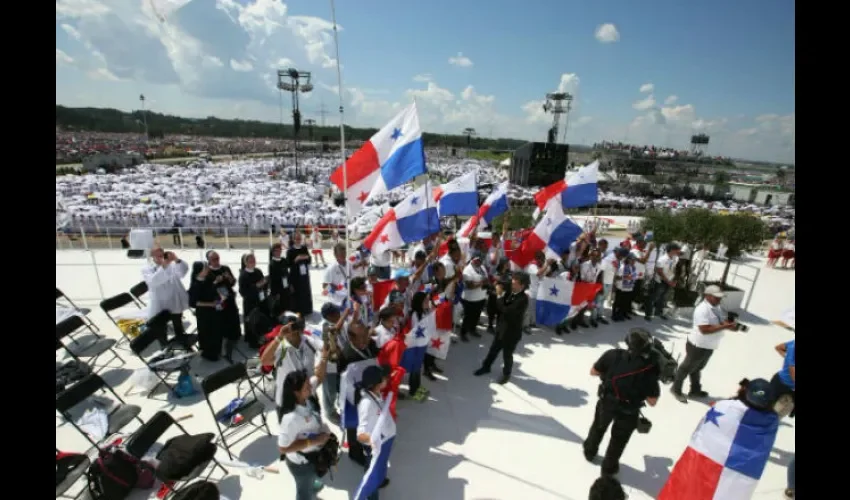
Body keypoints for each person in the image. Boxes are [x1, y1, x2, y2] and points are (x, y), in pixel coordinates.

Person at [583, 328, 660, 476]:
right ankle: (608, 468)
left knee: (598, 427)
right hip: (629, 410)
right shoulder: (649, 368)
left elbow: (593, 371)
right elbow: (652, 401)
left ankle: (589, 452)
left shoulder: (612, 355)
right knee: (618, 441)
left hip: (607, 402)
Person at [670, 285, 737, 403]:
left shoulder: (717, 307)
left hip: (709, 345)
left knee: (697, 368)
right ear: (708, 296)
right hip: (698, 345)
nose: (719, 299)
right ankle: (675, 389)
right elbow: (704, 330)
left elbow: (722, 322)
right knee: (686, 368)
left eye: (720, 297)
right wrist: (725, 326)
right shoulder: (702, 309)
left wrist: (731, 326)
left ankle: (695, 390)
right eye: (717, 297)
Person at [260, 315, 330, 422]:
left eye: (296, 326)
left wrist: (328, 338)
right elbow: (264, 361)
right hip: (287, 401)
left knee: (315, 426)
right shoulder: (281, 347)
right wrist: (279, 337)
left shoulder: (308, 341)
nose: (292, 331)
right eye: (288, 328)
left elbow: (325, 348)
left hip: (309, 396)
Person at [278, 369, 332, 500]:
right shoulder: (290, 419)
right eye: (307, 386)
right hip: (301, 463)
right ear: (296, 392)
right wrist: (315, 441)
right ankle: (307, 488)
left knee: (311, 478)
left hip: (312, 456)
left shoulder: (307, 399)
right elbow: (283, 448)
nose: (311, 387)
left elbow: (319, 377)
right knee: (304, 494)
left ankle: (311, 484)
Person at [473, 272, 530, 384]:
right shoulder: (511, 291)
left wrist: (499, 295)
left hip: (511, 334)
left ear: (522, 286)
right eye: (512, 283)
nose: (512, 285)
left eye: (514, 284)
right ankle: (486, 367)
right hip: (501, 329)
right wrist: (496, 284)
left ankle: (506, 374)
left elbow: (506, 311)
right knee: (493, 350)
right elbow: (501, 284)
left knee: (507, 355)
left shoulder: (523, 299)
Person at [338, 321, 380, 467]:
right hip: (353, 398)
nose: (364, 340)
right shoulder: (346, 355)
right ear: (351, 338)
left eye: (365, 335)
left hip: (369, 392)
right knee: (354, 424)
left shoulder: (371, 346)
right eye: (360, 337)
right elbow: (343, 381)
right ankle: (354, 452)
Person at [142, 247, 190, 345]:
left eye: (162, 255)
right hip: (161, 301)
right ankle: (164, 347)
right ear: (153, 256)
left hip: (174, 300)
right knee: (161, 327)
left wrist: (176, 259)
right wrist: (163, 266)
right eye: (159, 255)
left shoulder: (171, 265)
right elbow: (153, 281)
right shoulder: (147, 269)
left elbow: (182, 272)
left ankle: (181, 341)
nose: (161, 257)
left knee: (177, 323)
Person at [356, 365, 391, 497]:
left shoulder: (376, 394)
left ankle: (379, 480)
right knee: (371, 471)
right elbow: (360, 434)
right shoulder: (367, 404)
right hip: (373, 446)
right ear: (376, 384)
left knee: (379, 467)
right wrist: (372, 441)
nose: (386, 379)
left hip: (380, 440)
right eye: (383, 378)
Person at [204, 250, 242, 362]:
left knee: (233, 317)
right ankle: (224, 342)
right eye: (214, 259)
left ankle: (233, 338)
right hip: (218, 300)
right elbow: (206, 288)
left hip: (229, 298)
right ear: (209, 261)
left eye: (218, 258)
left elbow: (233, 282)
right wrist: (216, 281)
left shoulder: (225, 268)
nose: (216, 261)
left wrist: (229, 278)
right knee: (222, 320)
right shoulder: (208, 271)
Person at [320, 302, 350, 423]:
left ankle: (341, 404)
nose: (339, 314)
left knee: (341, 385)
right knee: (329, 390)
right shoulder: (326, 327)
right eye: (336, 313)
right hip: (330, 364)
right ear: (328, 316)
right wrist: (345, 315)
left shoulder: (342, 324)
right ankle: (330, 412)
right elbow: (334, 331)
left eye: (339, 312)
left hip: (342, 361)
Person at [189, 261, 224, 361]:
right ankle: (209, 354)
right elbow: (194, 303)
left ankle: (217, 351)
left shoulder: (208, 279)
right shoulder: (195, 285)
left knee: (216, 332)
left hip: (214, 311)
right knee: (207, 334)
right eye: (205, 268)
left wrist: (219, 300)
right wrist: (211, 304)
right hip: (204, 314)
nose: (207, 269)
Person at [644, 243, 680, 321]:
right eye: (676, 250)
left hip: (669, 280)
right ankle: (648, 314)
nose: (678, 251)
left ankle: (658, 312)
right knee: (653, 297)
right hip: (660, 281)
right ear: (672, 250)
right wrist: (668, 281)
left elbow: (674, 269)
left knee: (662, 298)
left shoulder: (675, 258)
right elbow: (660, 272)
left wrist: (673, 280)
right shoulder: (662, 259)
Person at [238, 253, 268, 347]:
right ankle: (253, 342)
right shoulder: (243, 275)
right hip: (250, 304)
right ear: (245, 263)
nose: (253, 262)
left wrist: (265, 283)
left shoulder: (258, 271)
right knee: (252, 322)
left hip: (260, 300)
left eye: (254, 260)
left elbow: (263, 283)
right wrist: (256, 286)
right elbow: (243, 292)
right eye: (250, 261)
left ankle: (262, 338)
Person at [460, 251, 489, 342]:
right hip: (470, 299)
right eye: (477, 260)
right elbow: (470, 286)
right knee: (468, 317)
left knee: (476, 315)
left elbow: (486, 278)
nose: (479, 262)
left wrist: (483, 282)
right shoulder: (467, 270)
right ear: (472, 259)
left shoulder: (482, 267)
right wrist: (481, 283)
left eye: (480, 260)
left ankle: (472, 329)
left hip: (481, 297)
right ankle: (463, 333)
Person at [287, 232, 314, 317]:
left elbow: (309, 259)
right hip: (295, 275)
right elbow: (288, 264)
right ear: (293, 239)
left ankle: (307, 309)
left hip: (304, 274)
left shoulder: (304, 248)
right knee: (297, 291)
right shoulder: (290, 250)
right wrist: (296, 259)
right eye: (296, 239)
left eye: (299, 239)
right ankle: (298, 309)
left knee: (305, 291)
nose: (298, 240)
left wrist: (306, 257)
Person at [771, 338, 795, 417]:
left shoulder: (793, 343)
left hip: (779, 380)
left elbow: (778, 348)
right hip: (786, 386)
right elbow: (792, 370)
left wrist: (787, 359)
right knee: (773, 415)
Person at [323, 243, 350, 308]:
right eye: (341, 254)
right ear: (335, 255)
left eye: (344, 253)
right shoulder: (331, 268)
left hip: (348, 298)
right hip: (336, 301)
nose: (343, 256)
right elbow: (325, 285)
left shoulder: (349, 264)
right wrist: (336, 288)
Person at [268, 243, 292, 317]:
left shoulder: (284, 260)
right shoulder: (272, 264)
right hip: (278, 290)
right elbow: (273, 280)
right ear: (273, 252)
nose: (278, 252)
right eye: (276, 250)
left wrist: (290, 285)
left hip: (286, 287)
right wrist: (275, 293)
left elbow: (287, 274)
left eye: (280, 250)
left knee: (287, 305)